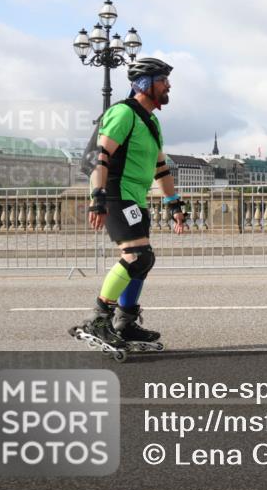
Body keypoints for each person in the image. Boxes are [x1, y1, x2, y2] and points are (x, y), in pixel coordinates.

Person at [79, 57, 186, 350]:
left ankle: (124, 322)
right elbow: (100, 156)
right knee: (136, 256)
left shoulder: (151, 121)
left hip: (135, 197)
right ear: (144, 84)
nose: (168, 86)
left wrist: (174, 205)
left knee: (144, 259)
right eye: (162, 80)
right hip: (116, 192)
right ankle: (98, 319)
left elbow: (161, 168)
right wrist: (98, 198)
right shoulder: (123, 113)